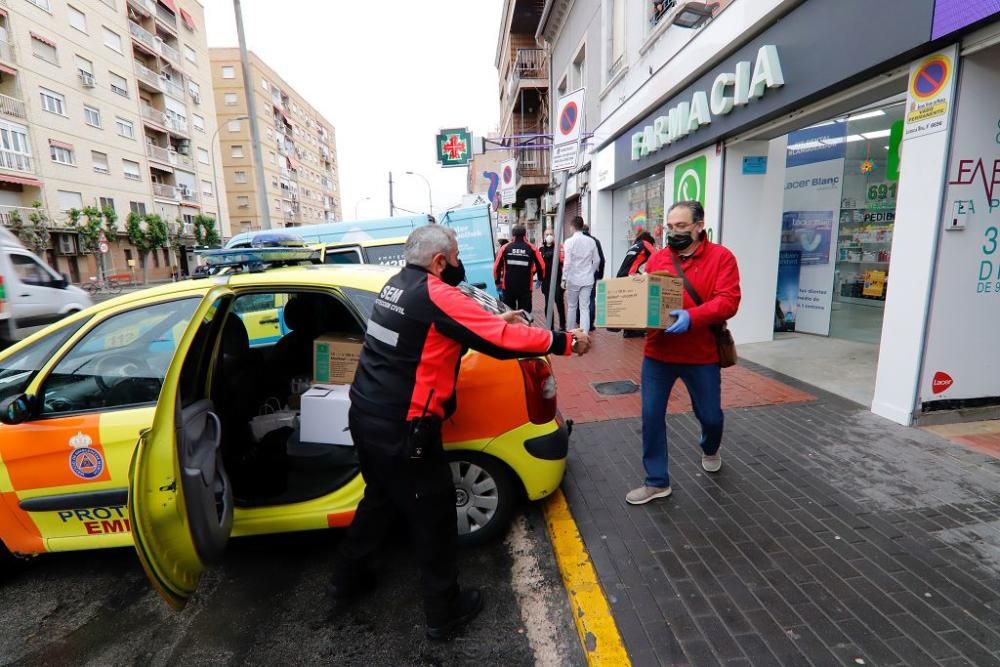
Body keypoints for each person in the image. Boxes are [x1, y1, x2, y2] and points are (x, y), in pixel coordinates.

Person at [337, 224, 591, 639]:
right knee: (434, 518)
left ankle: (347, 579)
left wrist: (495, 319)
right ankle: (444, 613)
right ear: (439, 261)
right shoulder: (437, 293)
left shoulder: (394, 287)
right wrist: (563, 341)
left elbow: (445, 330)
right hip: (406, 429)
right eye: (454, 258)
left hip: (367, 416)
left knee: (379, 499)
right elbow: (503, 339)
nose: (458, 264)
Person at [626, 201, 741, 506]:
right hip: (658, 353)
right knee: (651, 416)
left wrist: (693, 317)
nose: (673, 232)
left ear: (699, 226)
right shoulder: (659, 259)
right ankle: (656, 481)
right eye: (670, 227)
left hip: (701, 355)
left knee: (711, 417)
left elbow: (728, 301)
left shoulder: (721, 258)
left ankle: (710, 446)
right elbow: (647, 299)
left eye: (681, 227)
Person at [493, 225, 545, 312]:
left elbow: (496, 268)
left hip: (508, 288)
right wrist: (540, 279)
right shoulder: (532, 248)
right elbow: (542, 266)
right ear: (525, 235)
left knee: (509, 314)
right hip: (525, 288)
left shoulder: (505, 248)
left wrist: (498, 284)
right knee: (525, 316)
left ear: (512, 235)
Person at [562, 216, 600, 334]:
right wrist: (591, 271)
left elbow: (567, 262)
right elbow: (597, 260)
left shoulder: (569, 242)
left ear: (572, 226)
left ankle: (571, 332)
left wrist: (564, 277)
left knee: (572, 306)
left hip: (573, 279)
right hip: (588, 279)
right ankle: (584, 334)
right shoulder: (591, 241)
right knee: (585, 308)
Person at [617, 231, 658, 338]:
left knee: (630, 304)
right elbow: (657, 256)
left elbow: (635, 262)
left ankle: (629, 331)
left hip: (621, 275)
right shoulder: (645, 243)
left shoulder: (634, 246)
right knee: (637, 303)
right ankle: (633, 330)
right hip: (630, 275)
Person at [539, 232, 566, 330]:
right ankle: (550, 326)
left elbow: (564, 261)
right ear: (544, 237)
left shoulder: (559, 248)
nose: (548, 236)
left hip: (558, 280)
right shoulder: (541, 250)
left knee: (559, 303)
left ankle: (562, 325)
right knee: (548, 304)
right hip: (546, 281)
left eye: (550, 234)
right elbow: (538, 265)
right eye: (546, 234)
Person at [582, 224, 605, 330]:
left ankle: (580, 320)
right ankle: (590, 323)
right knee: (591, 297)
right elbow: (601, 259)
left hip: (579, 272)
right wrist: (600, 275)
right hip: (592, 272)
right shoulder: (595, 241)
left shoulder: (576, 241)